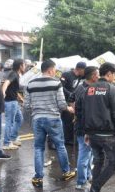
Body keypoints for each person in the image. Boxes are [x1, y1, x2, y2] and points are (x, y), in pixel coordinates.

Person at [76, 62, 115, 192]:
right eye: (114, 75)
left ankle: (95, 188)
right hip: (108, 135)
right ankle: (95, 187)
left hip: (92, 134)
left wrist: (86, 132)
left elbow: (82, 112)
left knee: (98, 160)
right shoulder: (112, 89)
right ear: (109, 73)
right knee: (114, 162)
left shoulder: (88, 89)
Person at [24, 59, 76, 188]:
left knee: (38, 148)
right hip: (53, 118)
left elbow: (26, 105)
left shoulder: (30, 84)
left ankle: (38, 177)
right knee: (60, 146)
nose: (55, 72)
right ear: (49, 70)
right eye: (54, 69)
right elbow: (62, 104)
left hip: (37, 119)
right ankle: (66, 172)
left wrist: (37, 108)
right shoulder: (56, 83)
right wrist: (69, 109)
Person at [69, 66, 99, 190]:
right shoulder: (86, 90)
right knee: (84, 154)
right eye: (97, 75)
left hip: (86, 126)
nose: (98, 77)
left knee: (89, 153)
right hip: (85, 128)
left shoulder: (81, 87)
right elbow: (87, 111)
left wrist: (75, 112)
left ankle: (87, 175)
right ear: (92, 76)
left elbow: (71, 99)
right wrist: (77, 114)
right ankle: (81, 182)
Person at [1, 59, 25, 150]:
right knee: (9, 123)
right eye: (24, 65)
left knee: (19, 119)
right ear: (20, 66)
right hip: (10, 102)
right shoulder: (14, 74)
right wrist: (3, 92)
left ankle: (12, 138)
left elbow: (13, 89)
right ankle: (6, 143)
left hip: (14, 101)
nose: (25, 66)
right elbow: (6, 83)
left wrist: (20, 98)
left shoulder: (16, 75)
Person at [60, 61, 86, 145]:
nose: (85, 72)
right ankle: (66, 139)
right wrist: (69, 94)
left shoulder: (80, 76)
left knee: (71, 120)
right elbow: (61, 86)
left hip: (72, 100)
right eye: (84, 70)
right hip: (64, 100)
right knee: (66, 121)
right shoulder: (66, 74)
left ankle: (69, 138)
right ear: (79, 69)